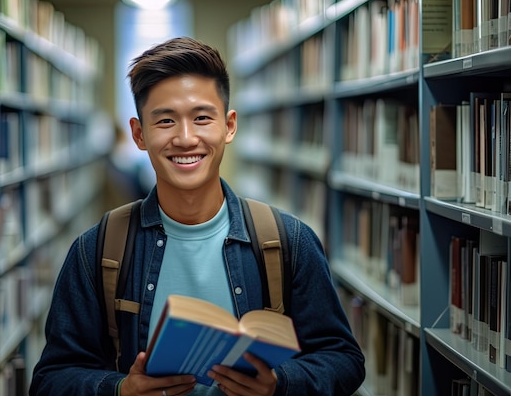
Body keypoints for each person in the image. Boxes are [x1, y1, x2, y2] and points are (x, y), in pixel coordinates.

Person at [29, 37, 365, 396]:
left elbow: (344, 359)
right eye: (166, 121)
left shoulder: (289, 240)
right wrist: (120, 390)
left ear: (229, 126)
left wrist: (279, 384)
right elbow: (51, 379)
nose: (186, 139)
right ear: (139, 134)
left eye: (202, 118)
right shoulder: (95, 250)